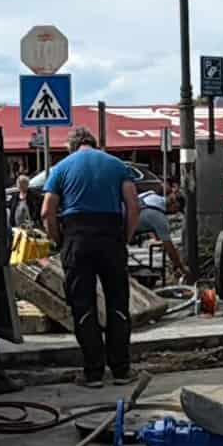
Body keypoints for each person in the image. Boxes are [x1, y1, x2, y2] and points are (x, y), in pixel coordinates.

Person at [39, 128, 139, 386]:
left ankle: (93, 373)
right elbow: (133, 206)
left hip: (77, 237)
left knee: (82, 305)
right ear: (95, 144)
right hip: (111, 237)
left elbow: (46, 211)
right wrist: (125, 238)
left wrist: (59, 241)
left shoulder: (61, 168)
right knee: (118, 303)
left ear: (72, 147)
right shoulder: (117, 165)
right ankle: (121, 371)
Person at [134, 188, 187, 275]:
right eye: (176, 210)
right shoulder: (160, 218)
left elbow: (145, 216)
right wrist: (181, 267)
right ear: (175, 206)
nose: (175, 213)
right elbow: (169, 248)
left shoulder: (150, 194)